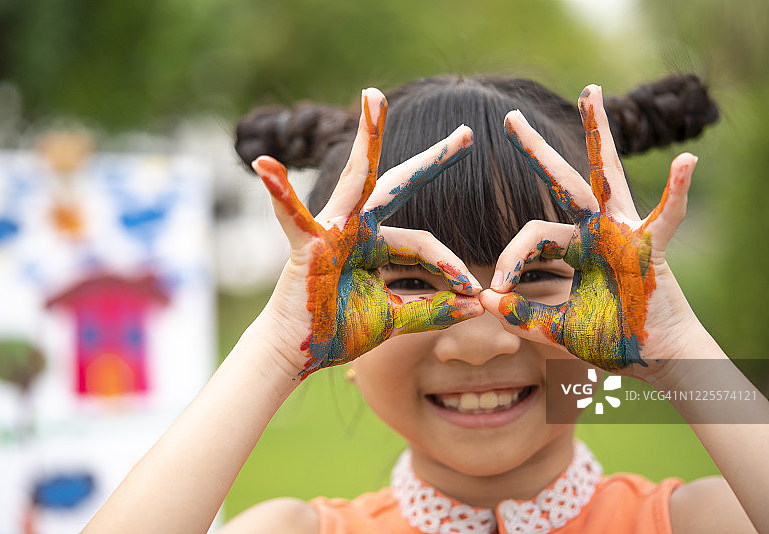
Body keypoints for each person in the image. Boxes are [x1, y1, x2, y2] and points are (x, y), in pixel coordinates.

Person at [82, 75, 768, 534]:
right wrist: (273, 349)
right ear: (335, 334)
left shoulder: (700, 521)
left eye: (538, 275)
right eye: (411, 281)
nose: (482, 341)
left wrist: (680, 353)